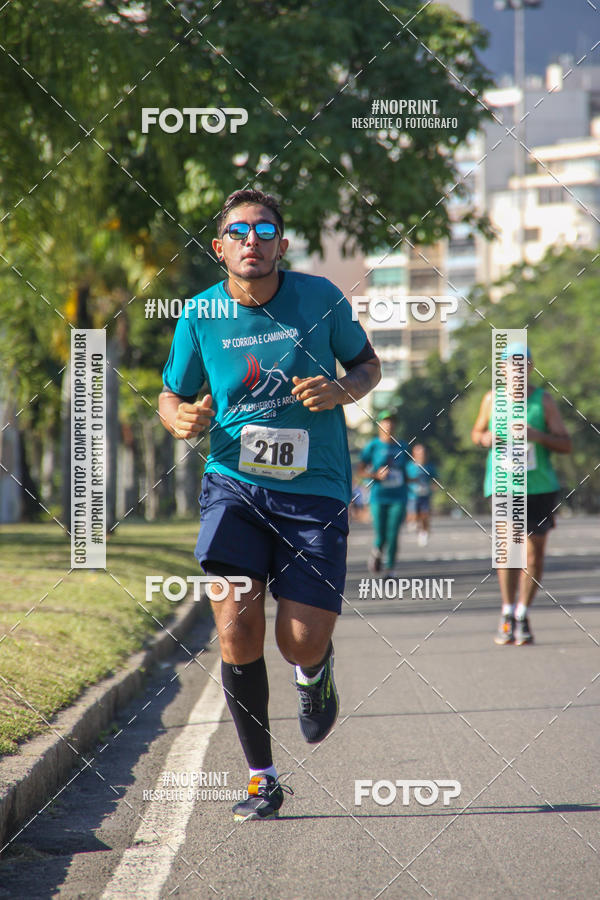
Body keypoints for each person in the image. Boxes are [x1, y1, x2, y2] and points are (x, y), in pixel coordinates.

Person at [158, 189, 381, 821]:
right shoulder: (200, 314)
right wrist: (181, 420)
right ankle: (262, 777)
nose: (252, 240)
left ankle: (316, 674)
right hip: (233, 483)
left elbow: (369, 366)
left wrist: (341, 389)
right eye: (239, 232)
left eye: (265, 230)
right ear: (220, 246)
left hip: (314, 491)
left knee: (300, 642)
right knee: (237, 625)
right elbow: (171, 395)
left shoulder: (319, 299)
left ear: (282, 243)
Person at [471, 343, 571, 646]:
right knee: (509, 551)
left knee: (533, 554)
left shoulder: (544, 401)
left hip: (538, 487)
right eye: (511, 365)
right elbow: (476, 434)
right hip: (503, 484)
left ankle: (523, 613)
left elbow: (566, 444)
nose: (517, 371)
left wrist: (538, 435)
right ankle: (506, 610)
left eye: (523, 365)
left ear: (530, 367)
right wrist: (486, 437)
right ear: (503, 370)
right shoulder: (492, 399)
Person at [358, 411, 409, 577]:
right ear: (379, 424)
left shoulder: (403, 446)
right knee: (381, 535)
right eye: (386, 421)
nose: (389, 425)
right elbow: (360, 470)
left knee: (393, 533)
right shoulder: (373, 446)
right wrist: (375, 475)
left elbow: (408, 470)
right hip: (379, 496)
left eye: (392, 421)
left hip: (398, 496)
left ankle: (390, 569)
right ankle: (377, 552)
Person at [406, 443, 437, 546]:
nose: (421, 455)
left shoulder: (429, 466)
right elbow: (405, 479)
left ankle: (424, 533)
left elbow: (435, 479)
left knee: (425, 515)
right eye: (419, 453)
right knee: (414, 516)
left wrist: (434, 486)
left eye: (423, 453)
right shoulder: (409, 467)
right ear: (414, 454)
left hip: (425, 495)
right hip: (412, 496)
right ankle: (414, 525)